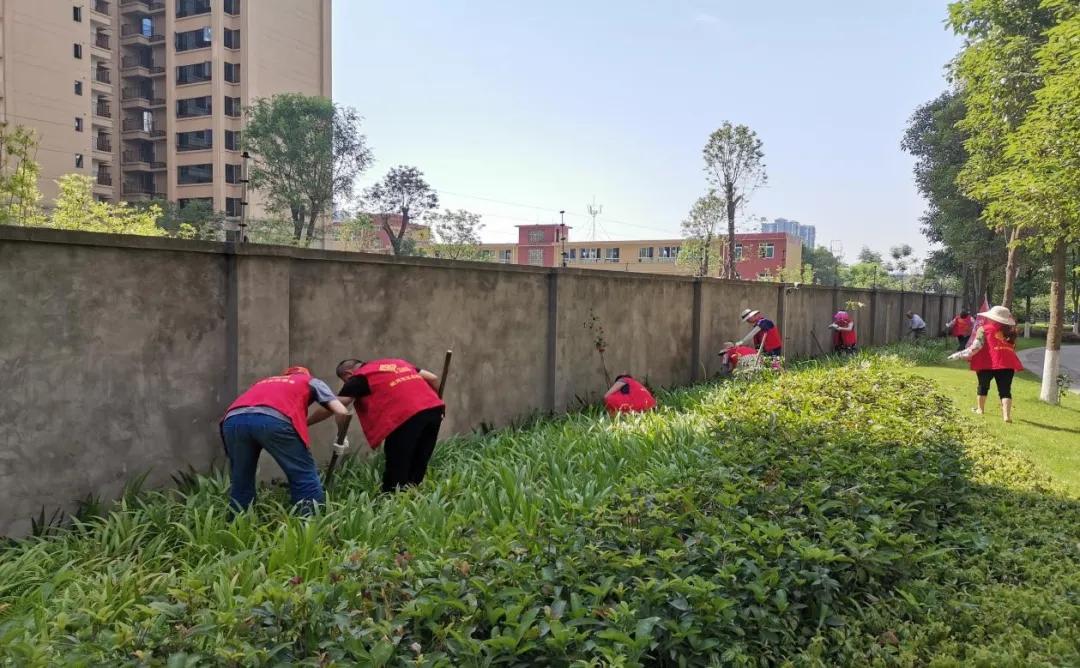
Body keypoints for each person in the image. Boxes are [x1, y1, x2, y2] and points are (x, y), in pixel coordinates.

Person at [221, 366, 349, 514]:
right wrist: (341, 436)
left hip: (233, 420)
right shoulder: (311, 381)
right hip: (274, 420)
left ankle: (238, 526)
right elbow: (341, 410)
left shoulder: (264, 382)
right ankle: (309, 527)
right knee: (303, 475)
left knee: (241, 479)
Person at [323, 358, 446, 493]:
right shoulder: (397, 364)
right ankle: (413, 494)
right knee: (420, 457)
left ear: (348, 374)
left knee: (397, 461)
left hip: (407, 415)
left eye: (344, 380)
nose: (346, 384)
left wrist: (308, 422)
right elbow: (433, 378)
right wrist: (439, 401)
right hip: (434, 410)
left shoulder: (360, 377)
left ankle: (393, 499)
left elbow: (335, 405)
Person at [948, 305, 1023, 423]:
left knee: (983, 386)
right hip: (1007, 363)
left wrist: (958, 355)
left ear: (992, 318)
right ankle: (1006, 416)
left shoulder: (984, 329)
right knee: (1005, 390)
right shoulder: (1010, 332)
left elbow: (976, 347)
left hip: (987, 362)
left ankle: (980, 410)